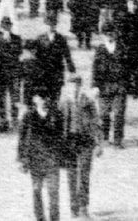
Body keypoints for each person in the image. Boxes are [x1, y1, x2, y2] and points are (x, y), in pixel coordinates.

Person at [59, 76, 101, 219]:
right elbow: (57, 126)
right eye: (71, 86)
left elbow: (96, 123)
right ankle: (74, 208)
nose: (74, 89)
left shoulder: (88, 102)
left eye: (76, 85)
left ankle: (83, 207)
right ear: (67, 87)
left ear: (80, 86)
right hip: (69, 142)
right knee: (71, 175)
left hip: (85, 141)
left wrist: (98, 144)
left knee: (84, 174)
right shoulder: (63, 103)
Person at [18, 93, 65, 221]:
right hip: (35, 160)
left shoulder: (56, 115)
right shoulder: (28, 116)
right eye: (40, 98)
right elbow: (22, 139)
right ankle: (40, 218)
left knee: (53, 192)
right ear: (34, 100)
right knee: (36, 190)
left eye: (45, 98)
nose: (43, 101)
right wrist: (22, 159)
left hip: (52, 159)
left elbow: (62, 138)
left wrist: (62, 157)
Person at [91, 28, 127, 148]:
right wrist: (95, 85)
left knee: (118, 114)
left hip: (119, 86)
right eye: (106, 34)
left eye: (111, 33)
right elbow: (95, 69)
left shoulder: (122, 48)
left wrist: (128, 84)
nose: (109, 36)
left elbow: (128, 68)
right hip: (103, 87)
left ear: (116, 34)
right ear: (103, 35)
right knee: (104, 114)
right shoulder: (100, 50)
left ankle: (117, 141)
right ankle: (105, 138)